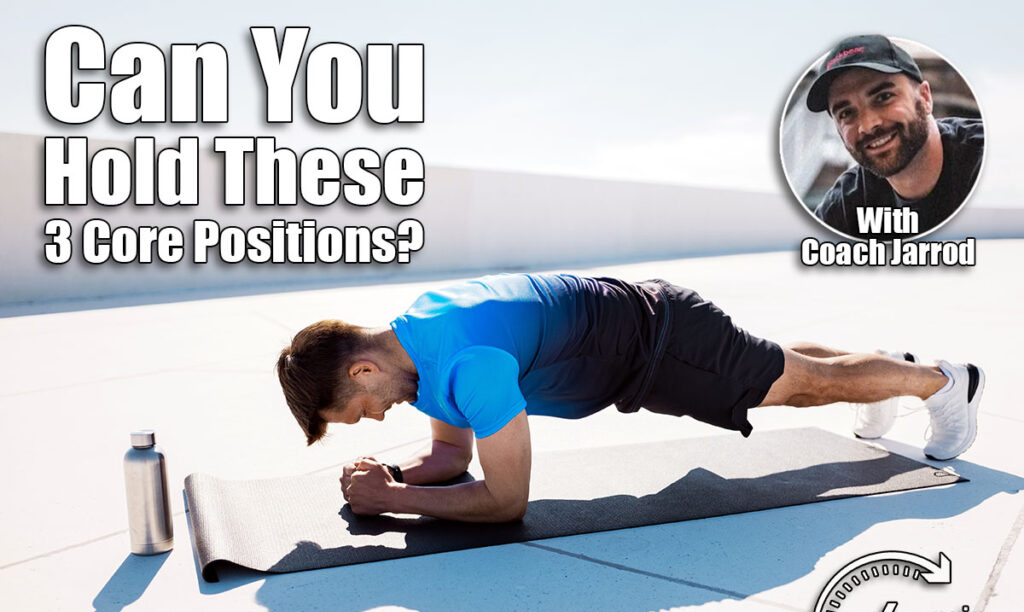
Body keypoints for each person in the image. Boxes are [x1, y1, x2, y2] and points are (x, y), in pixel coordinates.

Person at [276, 273, 984, 523]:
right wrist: (393, 478)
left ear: (363, 370)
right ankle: (896, 369)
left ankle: (944, 382)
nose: (374, 418)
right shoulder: (420, 342)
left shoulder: (467, 363)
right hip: (646, 326)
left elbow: (504, 502)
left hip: (661, 344)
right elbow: (451, 454)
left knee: (798, 387)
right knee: (786, 366)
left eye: (357, 409)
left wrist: (395, 502)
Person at [805, 34, 983, 239]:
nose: (868, 125)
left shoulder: (985, 160)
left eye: (883, 97)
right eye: (846, 113)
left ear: (925, 98)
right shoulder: (844, 206)